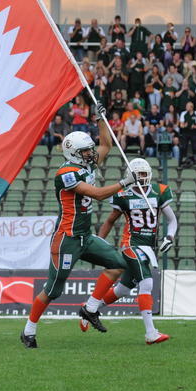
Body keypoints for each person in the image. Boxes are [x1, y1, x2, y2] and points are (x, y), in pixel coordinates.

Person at [20, 124, 135, 349]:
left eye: (90, 149)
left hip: (84, 237)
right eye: (86, 151)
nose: (91, 153)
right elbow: (98, 194)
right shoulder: (66, 174)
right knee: (53, 290)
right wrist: (124, 182)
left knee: (118, 264)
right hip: (67, 239)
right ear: (74, 153)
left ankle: (90, 308)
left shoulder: (86, 165)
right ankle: (28, 330)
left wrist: (101, 119)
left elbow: (106, 145)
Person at [88, 158, 176, 345]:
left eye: (144, 174)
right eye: (138, 174)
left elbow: (172, 220)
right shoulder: (123, 195)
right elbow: (110, 220)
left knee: (122, 289)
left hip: (149, 246)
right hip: (131, 244)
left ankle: (89, 309)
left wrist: (170, 237)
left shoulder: (159, 191)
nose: (142, 177)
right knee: (147, 282)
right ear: (131, 175)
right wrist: (99, 242)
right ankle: (151, 333)